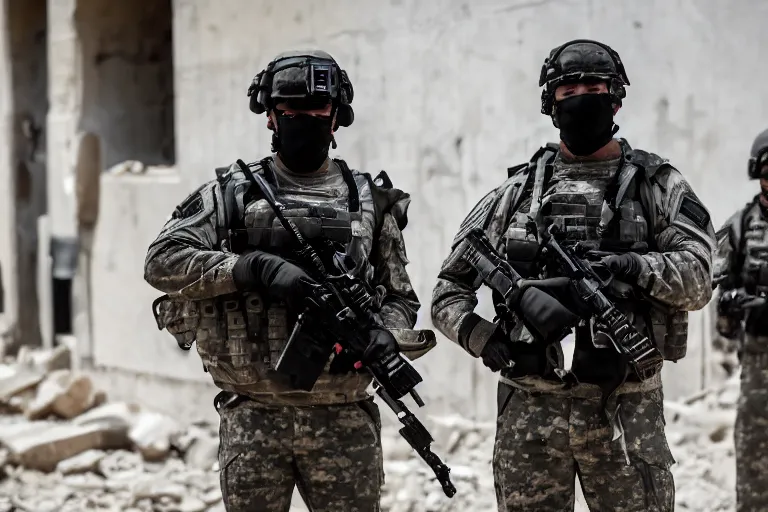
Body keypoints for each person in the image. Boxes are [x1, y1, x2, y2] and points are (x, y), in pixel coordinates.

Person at [431, 39, 715, 511]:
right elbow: (448, 289)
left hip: (627, 411)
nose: (581, 95)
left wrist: (633, 266)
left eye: (593, 85)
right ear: (551, 102)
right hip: (530, 412)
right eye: (568, 88)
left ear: (616, 96)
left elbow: (700, 279)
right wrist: (482, 338)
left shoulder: (657, 185)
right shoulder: (515, 193)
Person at [144, 49, 431, 512]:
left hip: (342, 418)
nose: (305, 119)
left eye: (318, 109)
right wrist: (249, 269)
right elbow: (161, 260)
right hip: (253, 415)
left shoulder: (370, 201)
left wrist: (385, 333)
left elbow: (400, 296)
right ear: (270, 118)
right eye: (291, 111)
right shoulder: (232, 194)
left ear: (337, 116)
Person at [713, 127, 768, 512]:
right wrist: (733, 304)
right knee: (754, 453)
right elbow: (709, 285)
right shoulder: (741, 225)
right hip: (760, 358)